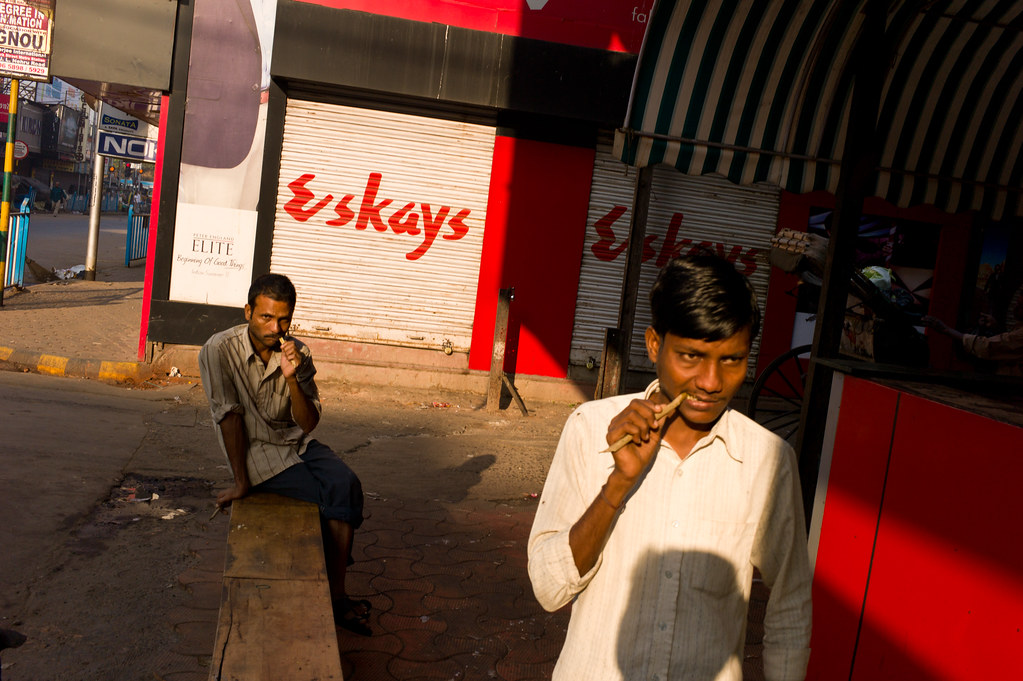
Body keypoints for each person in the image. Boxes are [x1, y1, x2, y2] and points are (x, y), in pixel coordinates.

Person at [528, 253, 812, 681]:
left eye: (731, 360)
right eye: (691, 357)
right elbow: (550, 590)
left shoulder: (768, 460)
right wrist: (618, 484)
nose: (711, 382)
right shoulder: (589, 429)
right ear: (655, 345)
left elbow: (791, 602)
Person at [198, 273, 372, 636]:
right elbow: (228, 416)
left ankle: (333, 591)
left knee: (346, 485)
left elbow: (307, 425)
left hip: (294, 442)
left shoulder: (298, 352)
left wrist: (292, 378)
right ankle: (332, 596)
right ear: (248, 312)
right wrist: (241, 482)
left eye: (283, 320)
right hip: (255, 451)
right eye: (265, 317)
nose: (275, 328)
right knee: (328, 501)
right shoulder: (218, 349)